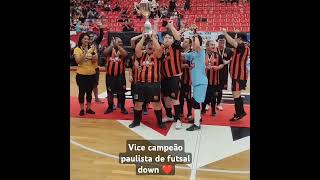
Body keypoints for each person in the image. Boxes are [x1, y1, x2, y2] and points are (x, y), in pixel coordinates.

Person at [128, 31, 166, 129]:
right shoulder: (141, 55)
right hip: (140, 84)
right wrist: (144, 38)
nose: (150, 45)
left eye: (151, 44)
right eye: (148, 44)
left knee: (156, 104)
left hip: (154, 84)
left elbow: (158, 48)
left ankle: (160, 122)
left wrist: (153, 38)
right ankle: (136, 121)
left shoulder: (157, 55)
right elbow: (137, 49)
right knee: (138, 103)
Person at [222, 28, 249, 121]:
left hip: (239, 75)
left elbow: (232, 42)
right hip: (238, 75)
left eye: (236, 37)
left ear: (240, 38)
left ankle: (240, 113)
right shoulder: (242, 47)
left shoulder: (242, 46)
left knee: (236, 94)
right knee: (236, 94)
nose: (234, 38)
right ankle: (240, 112)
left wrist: (225, 33)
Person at [160, 20, 183, 129]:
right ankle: (169, 115)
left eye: (169, 38)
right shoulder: (161, 48)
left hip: (174, 76)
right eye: (165, 38)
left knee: (175, 98)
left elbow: (178, 37)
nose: (167, 39)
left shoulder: (175, 47)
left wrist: (170, 26)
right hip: (164, 77)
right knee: (166, 98)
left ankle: (178, 119)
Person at [183, 33, 208, 131]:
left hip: (201, 82)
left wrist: (195, 35)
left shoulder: (201, 51)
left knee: (196, 103)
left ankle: (197, 124)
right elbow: (182, 55)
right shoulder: (192, 54)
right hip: (195, 83)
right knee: (195, 102)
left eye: (193, 42)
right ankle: (198, 118)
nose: (192, 44)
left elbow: (197, 45)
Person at [73, 33, 98, 116]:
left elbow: (95, 60)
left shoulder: (92, 48)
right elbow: (78, 61)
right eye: (85, 39)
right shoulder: (77, 49)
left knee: (89, 92)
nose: (87, 40)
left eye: (88, 39)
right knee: (81, 92)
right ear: (81, 40)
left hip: (91, 74)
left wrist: (94, 54)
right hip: (81, 75)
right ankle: (82, 109)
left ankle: (88, 108)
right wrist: (85, 53)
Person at [201, 40, 228, 116]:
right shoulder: (202, 54)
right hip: (203, 80)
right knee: (204, 96)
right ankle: (203, 109)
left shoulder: (217, 55)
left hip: (214, 80)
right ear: (207, 46)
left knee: (213, 97)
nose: (213, 46)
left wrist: (218, 67)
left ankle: (213, 111)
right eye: (212, 45)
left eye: (214, 45)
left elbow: (222, 64)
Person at [103, 37, 129, 115]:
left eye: (121, 42)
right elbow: (104, 53)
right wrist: (112, 45)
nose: (120, 43)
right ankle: (110, 107)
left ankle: (122, 107)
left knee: (121, 93)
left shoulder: (122, 51)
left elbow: (125, 54)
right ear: (113, 42)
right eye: (118, 42)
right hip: (109, 76)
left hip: (120, 77)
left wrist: (118, 46)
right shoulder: (109, 51)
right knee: (110, 93)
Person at [130, 34, 149, 115]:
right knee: (134, 93)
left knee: (145, 93)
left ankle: (144, 107)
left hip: (145, 77)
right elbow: (132, 40)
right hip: (135, 77)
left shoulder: (146, 52)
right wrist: (142, 35)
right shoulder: (134, 53)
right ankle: (136, 107)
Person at [216, 34, 234, 111]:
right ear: (217, 41)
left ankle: (219, 103)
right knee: (211, 88)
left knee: (220, 89)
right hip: (214, 71)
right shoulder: (214, 49)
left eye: (223, 41)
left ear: (225, 41)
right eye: (220, 41)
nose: (222, 43)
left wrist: (228, 61)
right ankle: (208, 103)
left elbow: (233, 59)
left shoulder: (229, 50)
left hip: (223, 72)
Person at [88, 22, 105, 104]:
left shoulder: (95, 43)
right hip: (87, 67)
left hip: (95, 67)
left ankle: (96, 98)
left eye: (92, 37)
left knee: (95, 84)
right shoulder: (83, 45)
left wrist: (101, 28)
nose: (90, 38)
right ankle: (88, 99)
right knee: (87, 85)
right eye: (89, 37)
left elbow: (101, 36)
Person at [180, 38, 193, 121]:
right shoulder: (179, 52)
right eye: (183, 41)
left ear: (190, 44)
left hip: (189, 78)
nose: (183, 43)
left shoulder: (192, 53)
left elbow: (193, 65)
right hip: (180, 77)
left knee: (188, 98)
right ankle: (180, 112)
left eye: (186, 42)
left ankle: (189, 113)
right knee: (180, 97)